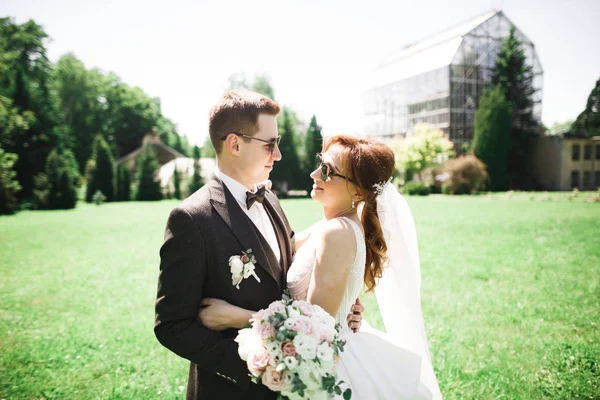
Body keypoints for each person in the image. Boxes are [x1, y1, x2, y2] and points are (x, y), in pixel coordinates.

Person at [199, 134, 443, 399]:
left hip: (329, 360)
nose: (315, 173)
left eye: (328, 171)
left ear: (359, 191)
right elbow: (281, 249)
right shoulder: (329, 227)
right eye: (320, 162)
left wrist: (231, 315)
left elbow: (313, 324)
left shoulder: (337, 232)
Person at [154, 91, 363, 400]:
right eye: (270, 144)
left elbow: (289, 263)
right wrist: (254, 366)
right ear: (235, 144)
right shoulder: (191, 219)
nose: (277, 155)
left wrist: (342, 304)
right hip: (229, 389)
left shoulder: (269, 199)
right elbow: (172, 325)